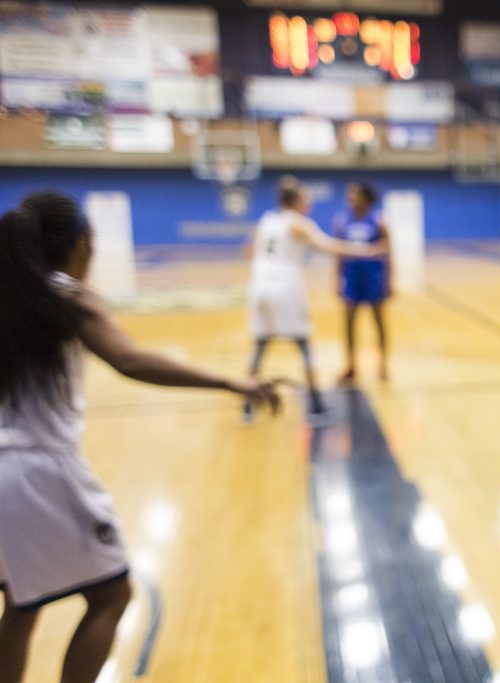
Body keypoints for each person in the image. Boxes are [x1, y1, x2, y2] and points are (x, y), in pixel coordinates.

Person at [0, 191, 279, 683]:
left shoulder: (9, 292)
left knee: (21, 608)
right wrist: (230, 381)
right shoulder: (65, 295)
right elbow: (129, 359)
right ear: (80, 245)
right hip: (38, 471)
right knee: (112, 595)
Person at [245, 176, 382, 423]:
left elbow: (248, 252)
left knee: (260, 345)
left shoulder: (266, 220)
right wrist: (365, 250)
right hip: (285, 287)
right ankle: (316, 406)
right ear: (296, 201)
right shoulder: (298, 222)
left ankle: (247, 403)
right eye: (306, 199)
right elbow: (327, 245)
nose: (309, 204)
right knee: (304, 344)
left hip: (258, 286)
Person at [332, 183, 392, 383]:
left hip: (374, 277)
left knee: (379, 322)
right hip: (352, 278)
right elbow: (338, 252)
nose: (350, 197)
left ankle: (383, 365)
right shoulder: (342, 221)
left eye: (354, 193)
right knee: (349, 324)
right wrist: (337, 278)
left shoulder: (378, 220)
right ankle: (351, 365)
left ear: (365, 197)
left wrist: (390, 280)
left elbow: (388, 249)